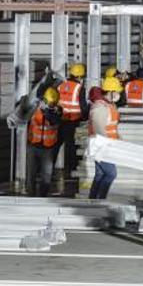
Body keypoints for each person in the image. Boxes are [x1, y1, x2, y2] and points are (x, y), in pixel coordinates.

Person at [88, 77, 122, 199]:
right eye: (117, 91)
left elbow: (111, 127)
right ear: (111, 92)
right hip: (102, 146)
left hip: (105, 145)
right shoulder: (100, 108)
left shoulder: (108, 105)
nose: (119, 94)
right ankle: (100, 200)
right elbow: (99, 131)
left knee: (100, 174)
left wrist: (118, 139)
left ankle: (92, 201)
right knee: (111, 174)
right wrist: (107, 148)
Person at [57, 63, 89, 191]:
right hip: (74, 120)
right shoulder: (79, 88)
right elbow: (83, 106)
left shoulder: (61, 85)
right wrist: (86, 116)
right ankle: (72, 171)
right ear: (80, 76)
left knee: (58, 144)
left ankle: (59, 169)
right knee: (72, 147)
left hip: (61, 119)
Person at [26, 87, 63, 197]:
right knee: (31, 175)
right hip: (33, 145)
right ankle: (31, 196)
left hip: (48, 148)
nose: (51, 105)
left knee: (46, 176)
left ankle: (43, 196)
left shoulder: (57, 110)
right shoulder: (35, 107)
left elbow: (53, 120)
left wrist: (45, 110)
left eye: (53, 103)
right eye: (50, 103)